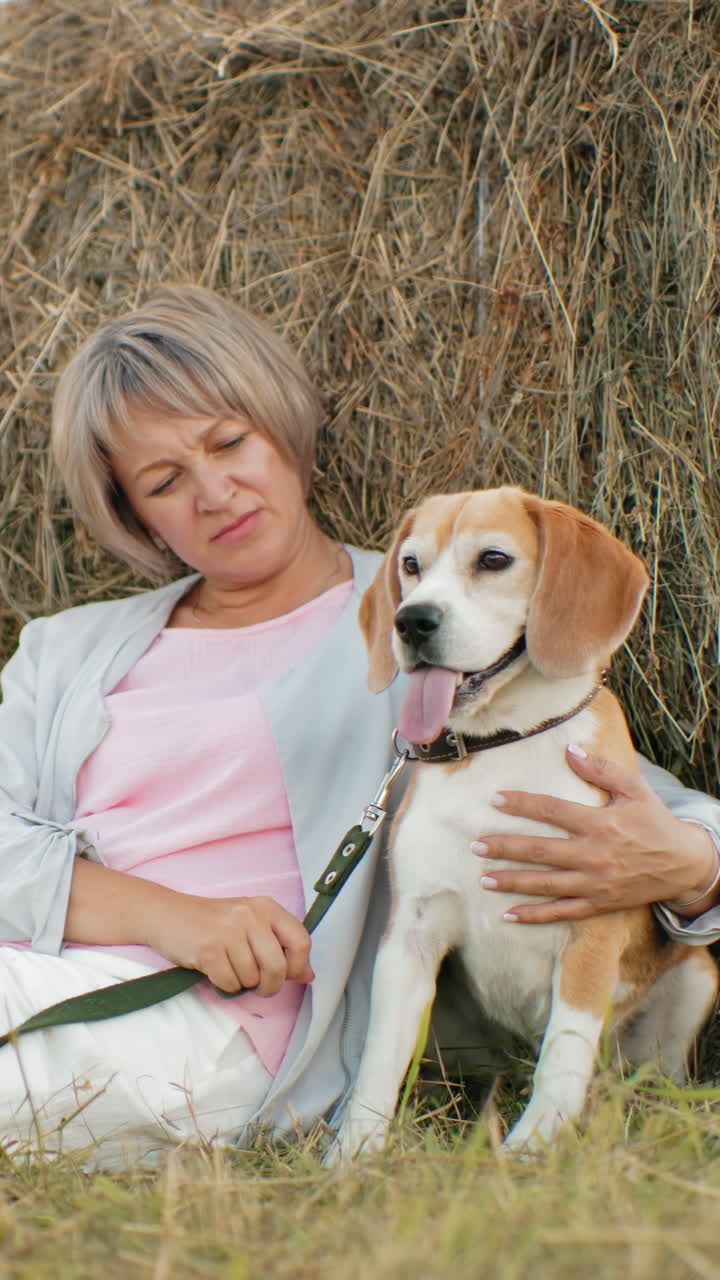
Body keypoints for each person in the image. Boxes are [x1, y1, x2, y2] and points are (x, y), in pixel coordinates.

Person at [0, 284, 717, 1168]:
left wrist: (692, 868)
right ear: (130, 512)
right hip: (42, 965)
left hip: (221, 1022)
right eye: (164, 481)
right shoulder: (62, 651)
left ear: (283, 426)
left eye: (231, 442)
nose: (216, 492)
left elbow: (643, 800)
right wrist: (170, 916)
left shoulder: (431, 625)